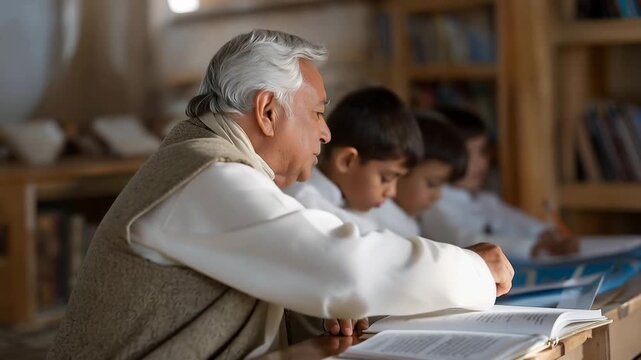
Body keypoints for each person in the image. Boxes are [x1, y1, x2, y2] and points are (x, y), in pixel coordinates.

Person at [48, 30, 514, 360]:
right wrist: (471, 267)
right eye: (316, 113)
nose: (326, 133)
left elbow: (307, 282)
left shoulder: (210, 163)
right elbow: (344, 267)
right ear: (268, 111)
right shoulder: (206, 176)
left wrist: (318, 313)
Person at [283, 86, 423, 343]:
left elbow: (409, 237)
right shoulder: (305, 204)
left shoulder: (361, 202)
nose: (391, 192)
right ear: (347, 161)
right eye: (386, 178)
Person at [420, 106, 579, 259]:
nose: (480, 163)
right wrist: (534, 246)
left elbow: (514, 221)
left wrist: (546, 233)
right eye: (467, 155)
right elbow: (465, 241)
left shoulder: (485, 200)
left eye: (483, 151)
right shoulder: (435, 205)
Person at [366, 111, 468, 239]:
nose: (438, 196)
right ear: (401, 170)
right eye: (432, 184)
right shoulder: (379, 223)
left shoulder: (406, 220)